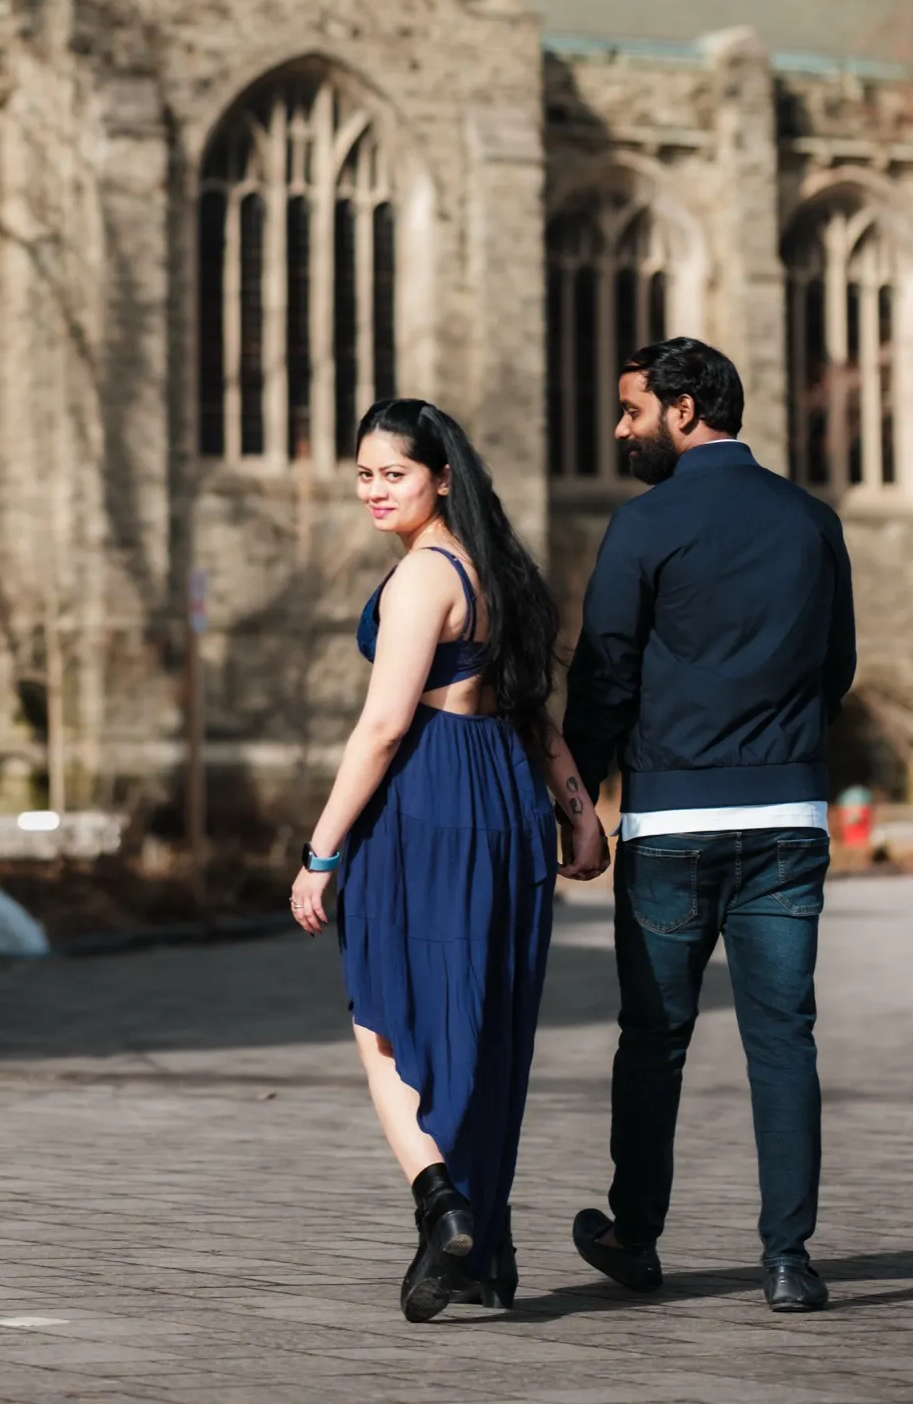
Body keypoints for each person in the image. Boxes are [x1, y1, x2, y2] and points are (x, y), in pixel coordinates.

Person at [291, 399, 608, 1322]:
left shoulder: (422, 579)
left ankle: (444, 1205)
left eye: (393, 473)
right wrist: (580, 815)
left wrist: (320, 849)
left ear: (438, 476)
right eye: (363, 475)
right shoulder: (501, 571)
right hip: (504, 803)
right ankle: (482, 1255)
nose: (374, 490)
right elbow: (531, 711)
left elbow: (385, 724)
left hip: (427, 798)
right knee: (485, 1024)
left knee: (381, 1013)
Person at [562, 336, 856, 1316]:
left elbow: (603, 672)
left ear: (683, 411)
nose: (618, 428)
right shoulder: (811, 521)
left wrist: (576, 801)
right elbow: (834, 669)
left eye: (631, 408)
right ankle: (786, 1259)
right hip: (786, 818)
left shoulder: (642, 527)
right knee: (783, 1041)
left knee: (653, 1040)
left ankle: (633, 1237)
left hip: (673, 821)